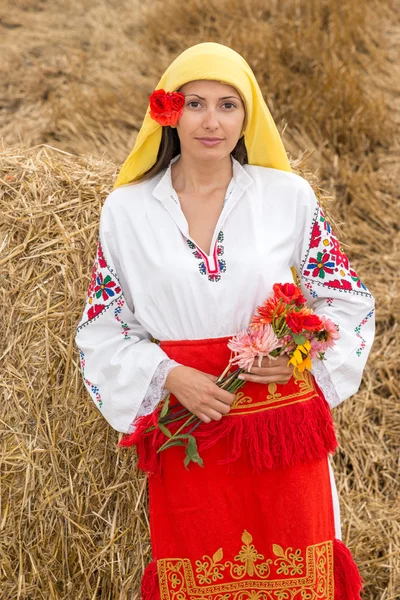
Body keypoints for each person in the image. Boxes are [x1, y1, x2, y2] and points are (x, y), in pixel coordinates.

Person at [75, 42, 375, 599]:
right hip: (189, 423)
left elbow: (346, 299)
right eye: (194, 103)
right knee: (199, 572)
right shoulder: (127, 210)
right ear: (169, 112)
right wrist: (168, 374)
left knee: (295, 574)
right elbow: (105, 327)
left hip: (279, 428)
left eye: (228, 105)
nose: (211, 121)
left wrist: (298, 361)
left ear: (248, 117)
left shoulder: (288, 197)